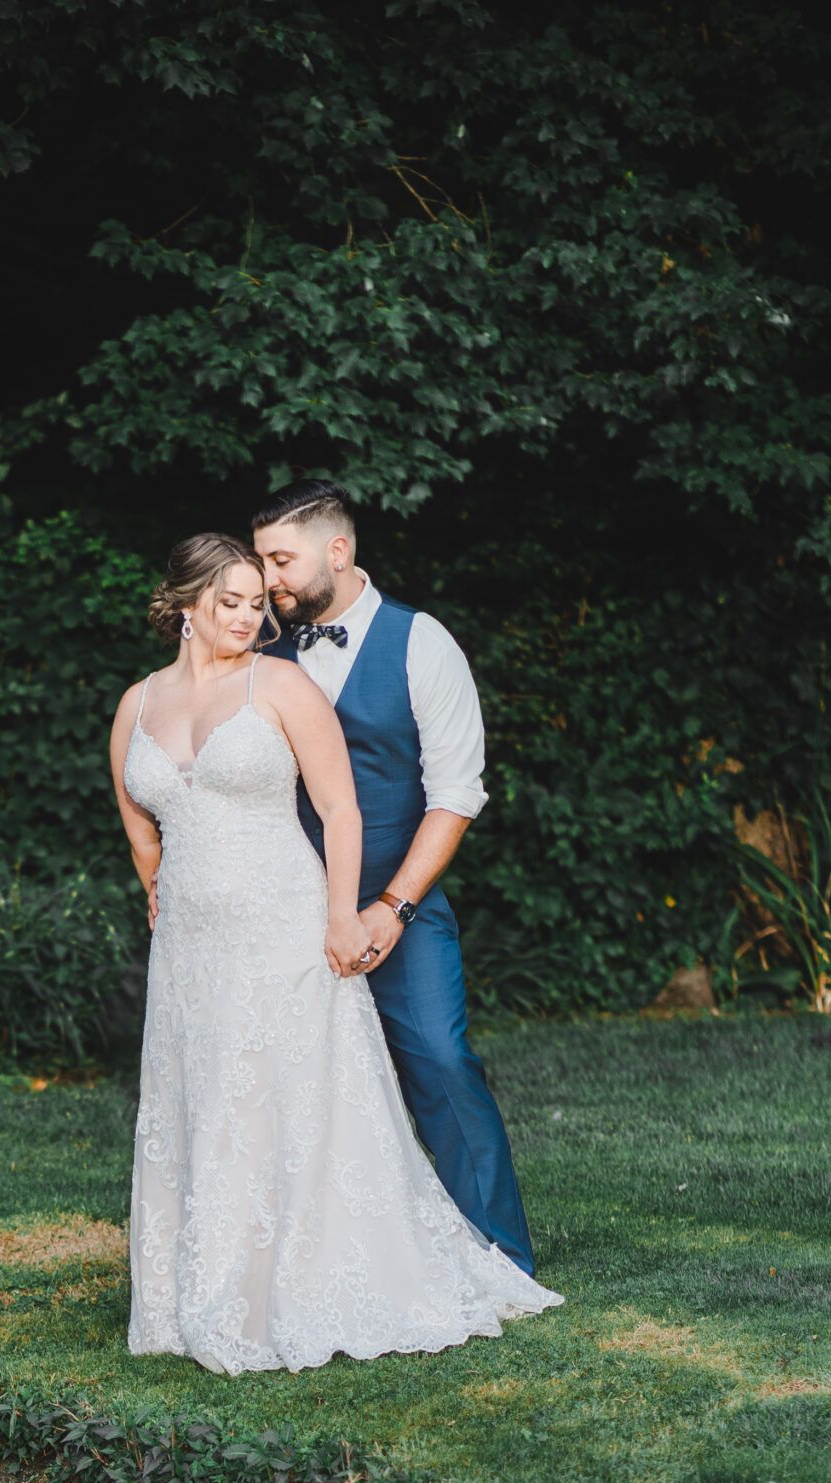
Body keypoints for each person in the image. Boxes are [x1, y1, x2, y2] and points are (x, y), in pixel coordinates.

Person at [109, 532, 560, 1375]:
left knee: (305, 1093)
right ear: (180, 607)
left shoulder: (278, 684)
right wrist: (157, 891)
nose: (249, 616)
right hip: (192, 944)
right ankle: (212, 1284)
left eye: (255, 600)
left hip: (283, 918)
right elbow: (140, 821)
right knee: (207, 1096)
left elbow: (340, 811)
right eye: (229, 602)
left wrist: (341, 917)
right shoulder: (136, 704)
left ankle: (324, 1273)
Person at [253, 480, 538, 1276]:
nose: (268, 578)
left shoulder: (421, 642)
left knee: (441, 1065)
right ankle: (316, 1266)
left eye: (282, 559)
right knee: (291, 1088)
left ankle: (497, 1255)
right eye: (262, 560)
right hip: (278, 910)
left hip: (395, 905)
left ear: (336, 552)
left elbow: (455, 794)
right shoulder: (259, 651)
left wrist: (392, 906)